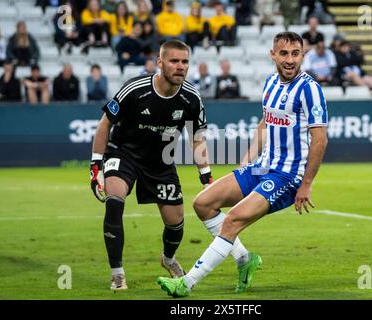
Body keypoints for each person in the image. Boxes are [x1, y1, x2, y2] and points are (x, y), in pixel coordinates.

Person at [157, 31, 329, 298]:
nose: (290, 59)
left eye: (295, 53)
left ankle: (186, 283)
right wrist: (247, 159)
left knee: (233, 220)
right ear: (273, 55)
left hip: (287, 176)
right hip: (261, 167)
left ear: (303, 55)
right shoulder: (271, 83)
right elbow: (265, 122)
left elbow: (320, 139)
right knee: (202, 203)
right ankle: (244, 259)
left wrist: (306, 184)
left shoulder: (310, 90)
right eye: (284, 53)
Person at [90, 39, 248, 291]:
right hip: (124, 153)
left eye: (185, 61)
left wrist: (206, 176)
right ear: (160, 63)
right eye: (174, 61)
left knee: (175, 223)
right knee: (115, 202)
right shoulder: (135, 89)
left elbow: (197, 139)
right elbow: (104, 124)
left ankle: (168, 258)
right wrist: (96, 165)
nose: (180, 66)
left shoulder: (191, 97)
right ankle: (117, 272)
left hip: (161, 162)